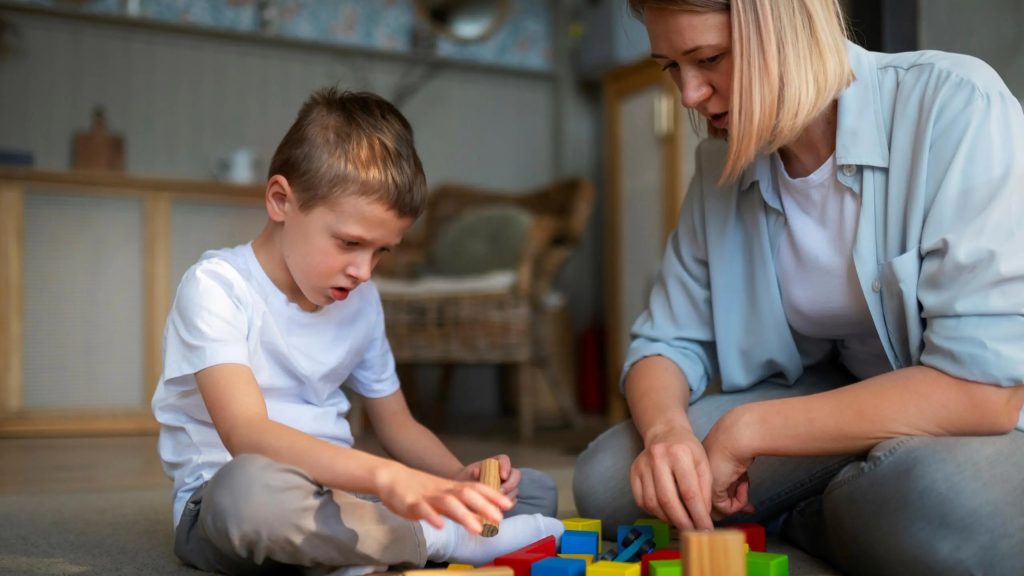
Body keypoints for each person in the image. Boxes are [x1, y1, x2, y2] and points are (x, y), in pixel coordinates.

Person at [574, 1, 1024, 574]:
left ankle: (812, 516)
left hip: (988, 412)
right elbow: (664, 343)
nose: (689, 94)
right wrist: (667, 435)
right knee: (614, 480)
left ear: (785, 29)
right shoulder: (720, 167)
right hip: (840, 395)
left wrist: (749, 429)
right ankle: (848, 513)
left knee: (937, 502)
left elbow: (984, 391)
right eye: (671, 66)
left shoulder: (957, 104)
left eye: (709, 58)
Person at [152, 87, 563, 576]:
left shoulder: (361, 301)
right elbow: (248, 434)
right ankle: (436, 539)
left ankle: (362, 546)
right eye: (350, 243)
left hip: (342, 495)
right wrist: (392, 480)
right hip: (227, 499)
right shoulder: (216, 288)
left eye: (380, 252)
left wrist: (456, 480)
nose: (364, 271)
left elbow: (398, 425)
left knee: (533, 491)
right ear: (281, 201)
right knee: (252, 497)